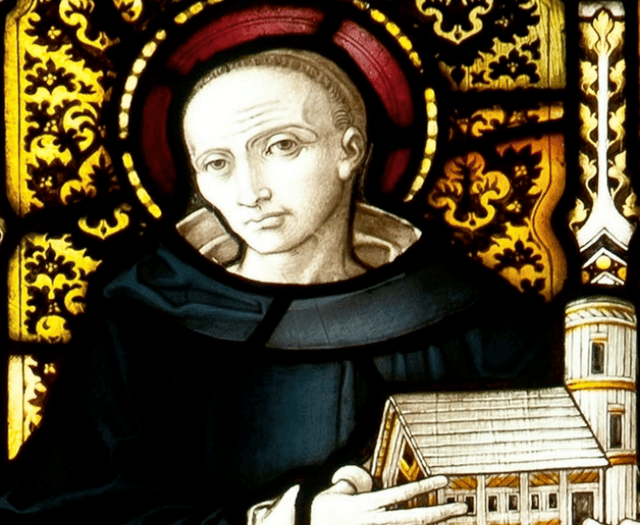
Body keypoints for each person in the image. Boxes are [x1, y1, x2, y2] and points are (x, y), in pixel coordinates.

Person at [0, 48, 555, 524]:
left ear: (350, 150)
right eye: (217, 163)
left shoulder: (465, 318)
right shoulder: (146, 323)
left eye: (281, 146)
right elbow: (53, 512)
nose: (250, 191)